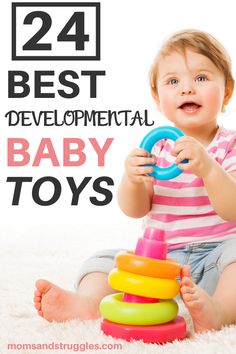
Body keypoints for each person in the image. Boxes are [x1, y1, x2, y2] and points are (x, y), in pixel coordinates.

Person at [34, 29, 236, 333]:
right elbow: (135, 209)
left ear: (228, 91)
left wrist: (208, 168)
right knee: (101, 261)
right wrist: (133, 179)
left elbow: (231, 208)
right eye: (173, 81)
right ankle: (88, 303)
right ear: (157, 97)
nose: (186, 89)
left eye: (201, 78)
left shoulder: (229, 145)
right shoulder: (154, 149)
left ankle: (219, 310)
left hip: (218, 260)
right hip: (160, 260)